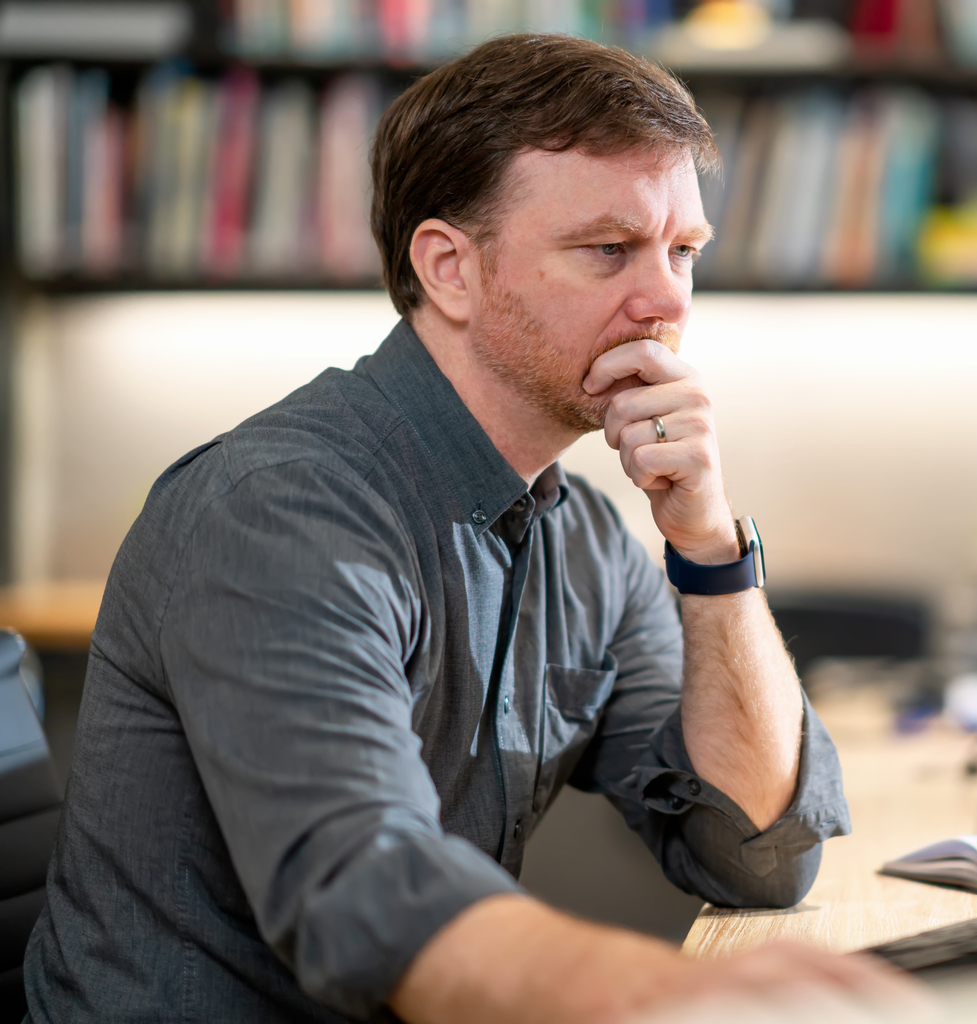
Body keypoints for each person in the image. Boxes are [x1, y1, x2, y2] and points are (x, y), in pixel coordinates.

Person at [25, 34, 909, 1023]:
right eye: (609, 250)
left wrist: (707, 547)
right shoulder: (279, 511)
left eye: (683, 251)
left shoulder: (587, 543)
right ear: (450, 268)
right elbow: (368, 894)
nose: (667, 300)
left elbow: (756, 851)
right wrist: (676, 993)